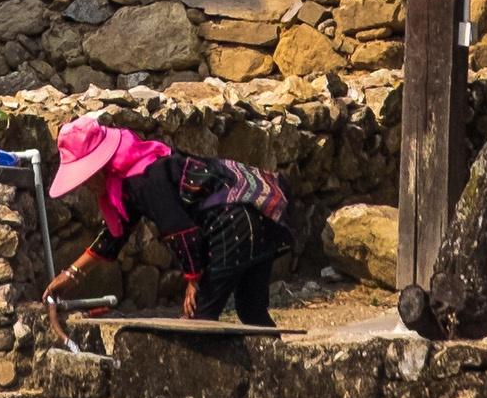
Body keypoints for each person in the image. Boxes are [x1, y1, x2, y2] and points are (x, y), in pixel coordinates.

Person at [39, 113, 295, 327]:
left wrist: (193, 280)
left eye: (85, 177)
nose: (85, 185)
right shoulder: (131, 177)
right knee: (252, 311)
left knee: (198, 318)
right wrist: (72, 274)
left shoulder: (144, 179)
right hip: (260, 217)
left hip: (235, 223)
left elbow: (181, 230)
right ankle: (280, 375)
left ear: (100, 167)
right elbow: (114, 237)